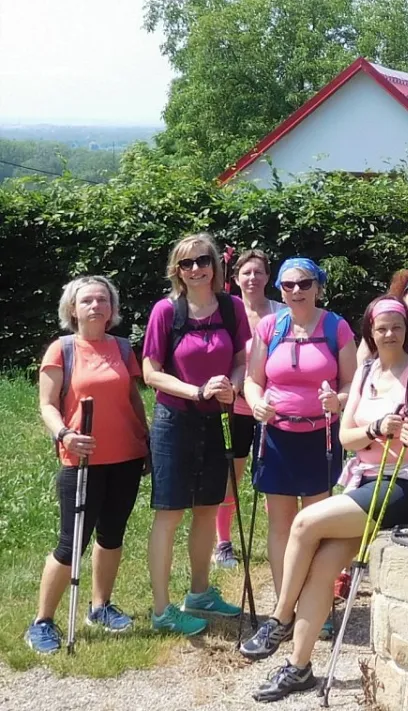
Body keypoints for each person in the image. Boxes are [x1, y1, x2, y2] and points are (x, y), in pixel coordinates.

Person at [239, 296, 408, 702]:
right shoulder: (365, 372)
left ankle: (280, 618)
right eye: (382, 328)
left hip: (407, 483)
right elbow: (346, 437)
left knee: (304, 522)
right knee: (322, 566)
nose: (389, 334)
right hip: (365, 481)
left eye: (397, 327)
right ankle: (299, 667)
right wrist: (376, 427)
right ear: (370, 332)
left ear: (407, 331)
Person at [26, 276, 150, 654]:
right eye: (87, 301)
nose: (96, 306)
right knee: (71, 543)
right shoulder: (62, 349)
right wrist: (64, 434)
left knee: (112, 535)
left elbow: (132, 399)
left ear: (112, 309)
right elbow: (47, 405)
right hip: (81, 459)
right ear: (73, 309)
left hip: (126, 457)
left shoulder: (122, 348)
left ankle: (101, 607)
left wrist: (145, 440)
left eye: (102, 300)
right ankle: (42, 621)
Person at [142, 233, 249, 635]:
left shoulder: (232, 307)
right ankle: (161, 610)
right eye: (186, 263)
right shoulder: (166, 311)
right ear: (177, 270)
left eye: (203, 260)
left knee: (207, 508)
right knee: (169, 514)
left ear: (215, 265)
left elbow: (242, 359)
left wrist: (232, 386)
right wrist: (196, 391)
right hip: (175, 421)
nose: (196, 269)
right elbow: (151, 372)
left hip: (217, 420)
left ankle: (200, 593)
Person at [243, 257, 357, 595]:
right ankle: (285, 602)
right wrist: (256, 403)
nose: (296, 290)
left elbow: (352, 382)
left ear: (318, 287)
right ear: (280, 289)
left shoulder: (336, 327)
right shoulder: (270, 327)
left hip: (320, 437)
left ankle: (313, 601)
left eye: (305, 283)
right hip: (275, 436)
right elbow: (252, 380)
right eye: (288, 284)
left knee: (315, 525)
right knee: (280, 526)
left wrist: (338, 400)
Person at [214, 249, 286, 569]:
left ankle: (280, 539)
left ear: (268, 277)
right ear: (236, 277)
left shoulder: (283, 312)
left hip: (273, 408)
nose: (253, 278)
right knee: (232, 474)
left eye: (259, 272)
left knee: (274, 476)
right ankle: (223, 542)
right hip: (236, 407)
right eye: (246, 273)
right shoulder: (226, 312)